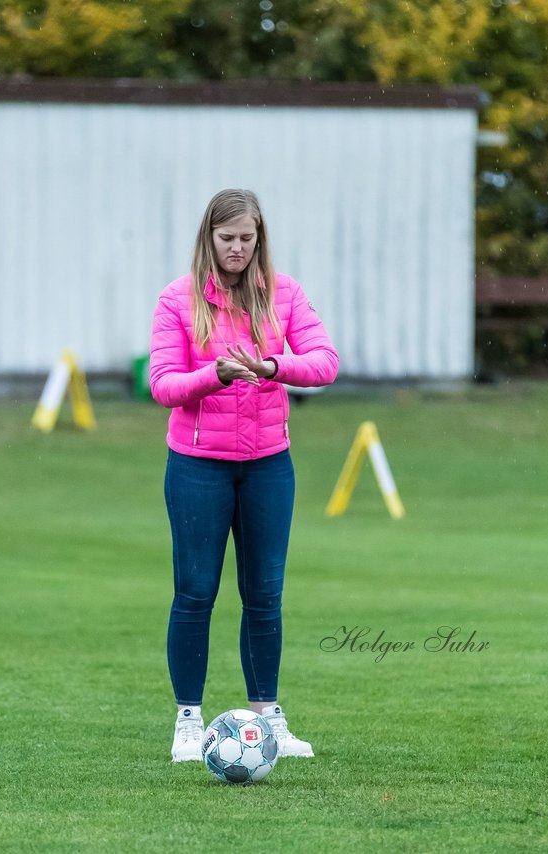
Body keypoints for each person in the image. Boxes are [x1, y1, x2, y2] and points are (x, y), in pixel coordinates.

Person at [148, 188, 339, 763]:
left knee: (264, 594)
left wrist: (273, 366)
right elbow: (162, 383)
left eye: (246, 239)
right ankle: (188, 720)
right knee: (196, 591)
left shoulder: (284, 293)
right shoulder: (178, 299)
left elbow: (325, 361)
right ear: (209, 237)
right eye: (226, 238)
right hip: (198, 467)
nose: (236, 249)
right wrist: (215, 374)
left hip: (268, 467)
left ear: (260, 240)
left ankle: (268, 715)